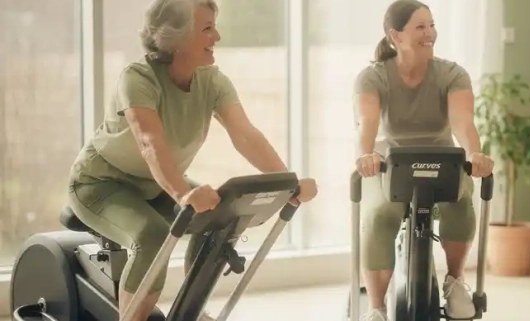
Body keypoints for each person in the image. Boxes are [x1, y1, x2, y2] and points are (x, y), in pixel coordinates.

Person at [66, 1, 319, 320]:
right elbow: (149, 142)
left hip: (152, 184)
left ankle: (191, 312)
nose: (218, 36)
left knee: (220, 213)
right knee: (152, 236)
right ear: (176, 36)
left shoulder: (211, 81)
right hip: (100, 183)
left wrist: (288, 183)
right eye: (207, 28)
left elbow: (245, 135)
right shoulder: (138, 78)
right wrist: (182, 194)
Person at [352, 1, 495, 320]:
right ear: (396, 36)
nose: (430, 33)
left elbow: (463, 123)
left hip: (442, 164)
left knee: (460, 203)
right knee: (379, 216)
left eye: (432, 25)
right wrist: (365, 155)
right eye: (420, 27)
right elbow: (367, 124)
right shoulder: (373, 77)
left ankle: (455, 281)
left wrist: (474, 154)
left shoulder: (452, 74)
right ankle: (375, 307)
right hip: (389, 166)